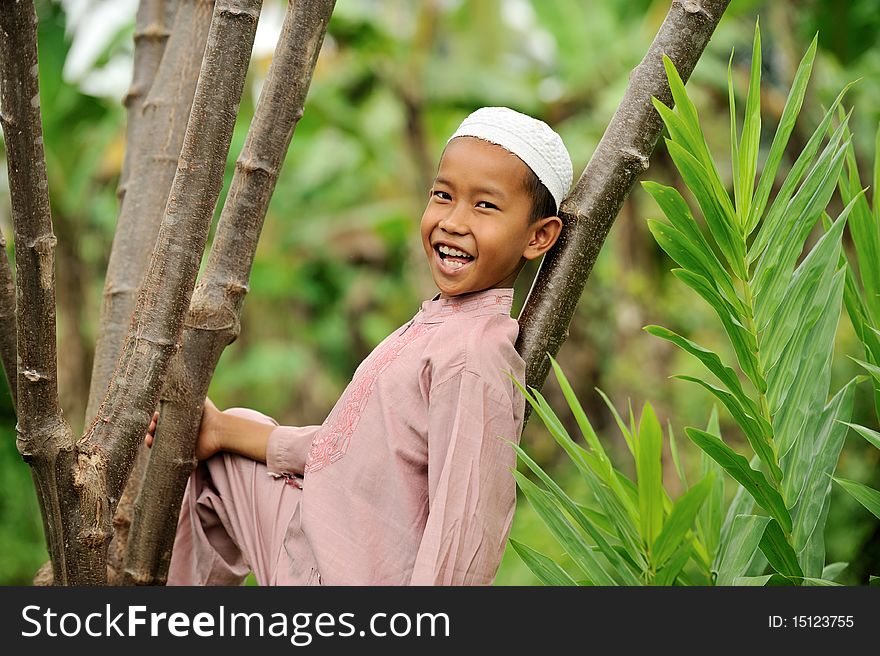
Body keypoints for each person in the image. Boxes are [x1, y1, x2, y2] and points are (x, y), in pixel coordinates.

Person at [148, 106, 573, 586]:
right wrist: (223, 431)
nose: (453, 221)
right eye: (443, 195)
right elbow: (350, 450)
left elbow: (463, 536)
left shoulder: (474, 357)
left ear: (539, 236)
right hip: (308, 549)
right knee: (226, 444)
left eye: (485, 206)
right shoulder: (436, 325)